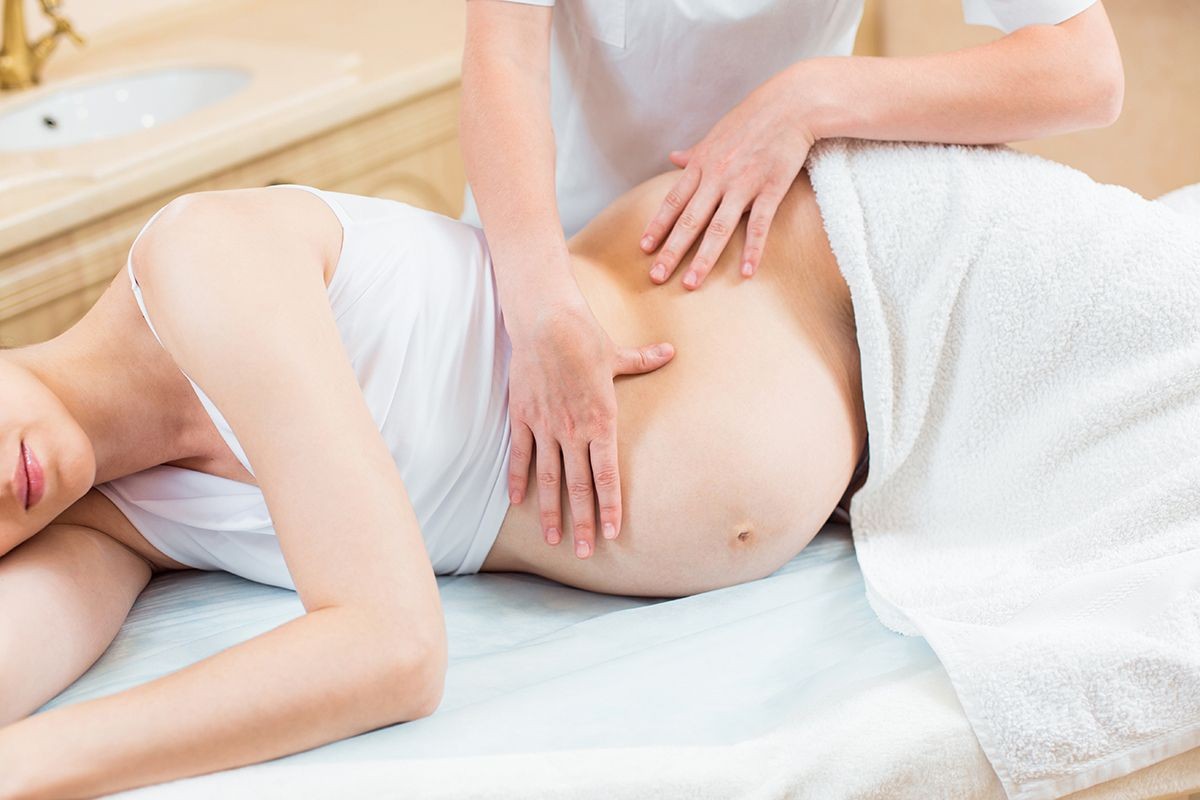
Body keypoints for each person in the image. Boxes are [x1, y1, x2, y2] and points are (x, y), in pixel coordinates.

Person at [0, 163, 864, 797]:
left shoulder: (202, 262)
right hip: (847, 436)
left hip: (844, 269)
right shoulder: (104, 524)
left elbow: (394, 650)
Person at [459, 0, 1125, 561]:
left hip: (770, 284)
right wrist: (542, 308)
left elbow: (1086, 71)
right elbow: (503, 61)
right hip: (553, 276)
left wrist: (810, 97)